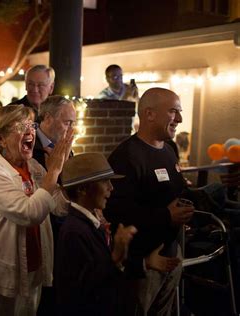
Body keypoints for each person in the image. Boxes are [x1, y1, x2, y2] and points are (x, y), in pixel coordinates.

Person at [0, 105, 72, 316]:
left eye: (31, 125)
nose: (30, 131)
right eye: (20, 126)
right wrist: (53, 171)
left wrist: (63, 172)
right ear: (0, 139)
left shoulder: (33, 166)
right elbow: (29, 213)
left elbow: (60, 208)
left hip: (31, 272)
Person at [104, 87, 194, 315]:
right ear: (149, 114)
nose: (180, 119)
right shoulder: (126, 156)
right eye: (173, 111)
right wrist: (166, 216)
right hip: (142, 265)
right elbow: (116, 215)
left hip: (172, 255)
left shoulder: (170, 150)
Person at [56, 153, 137, 315]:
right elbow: (83, 290)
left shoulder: (90, 223)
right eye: (104, 181)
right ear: (82, 189)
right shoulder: (74, 231)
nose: (111, 187)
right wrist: (115, 257)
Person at [32, 95, 76, 316]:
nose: (72, 128)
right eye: (68, 122)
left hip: (61, 228)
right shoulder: (27, 145)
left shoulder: (65, 145)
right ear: (48, 118)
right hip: (37, 228)